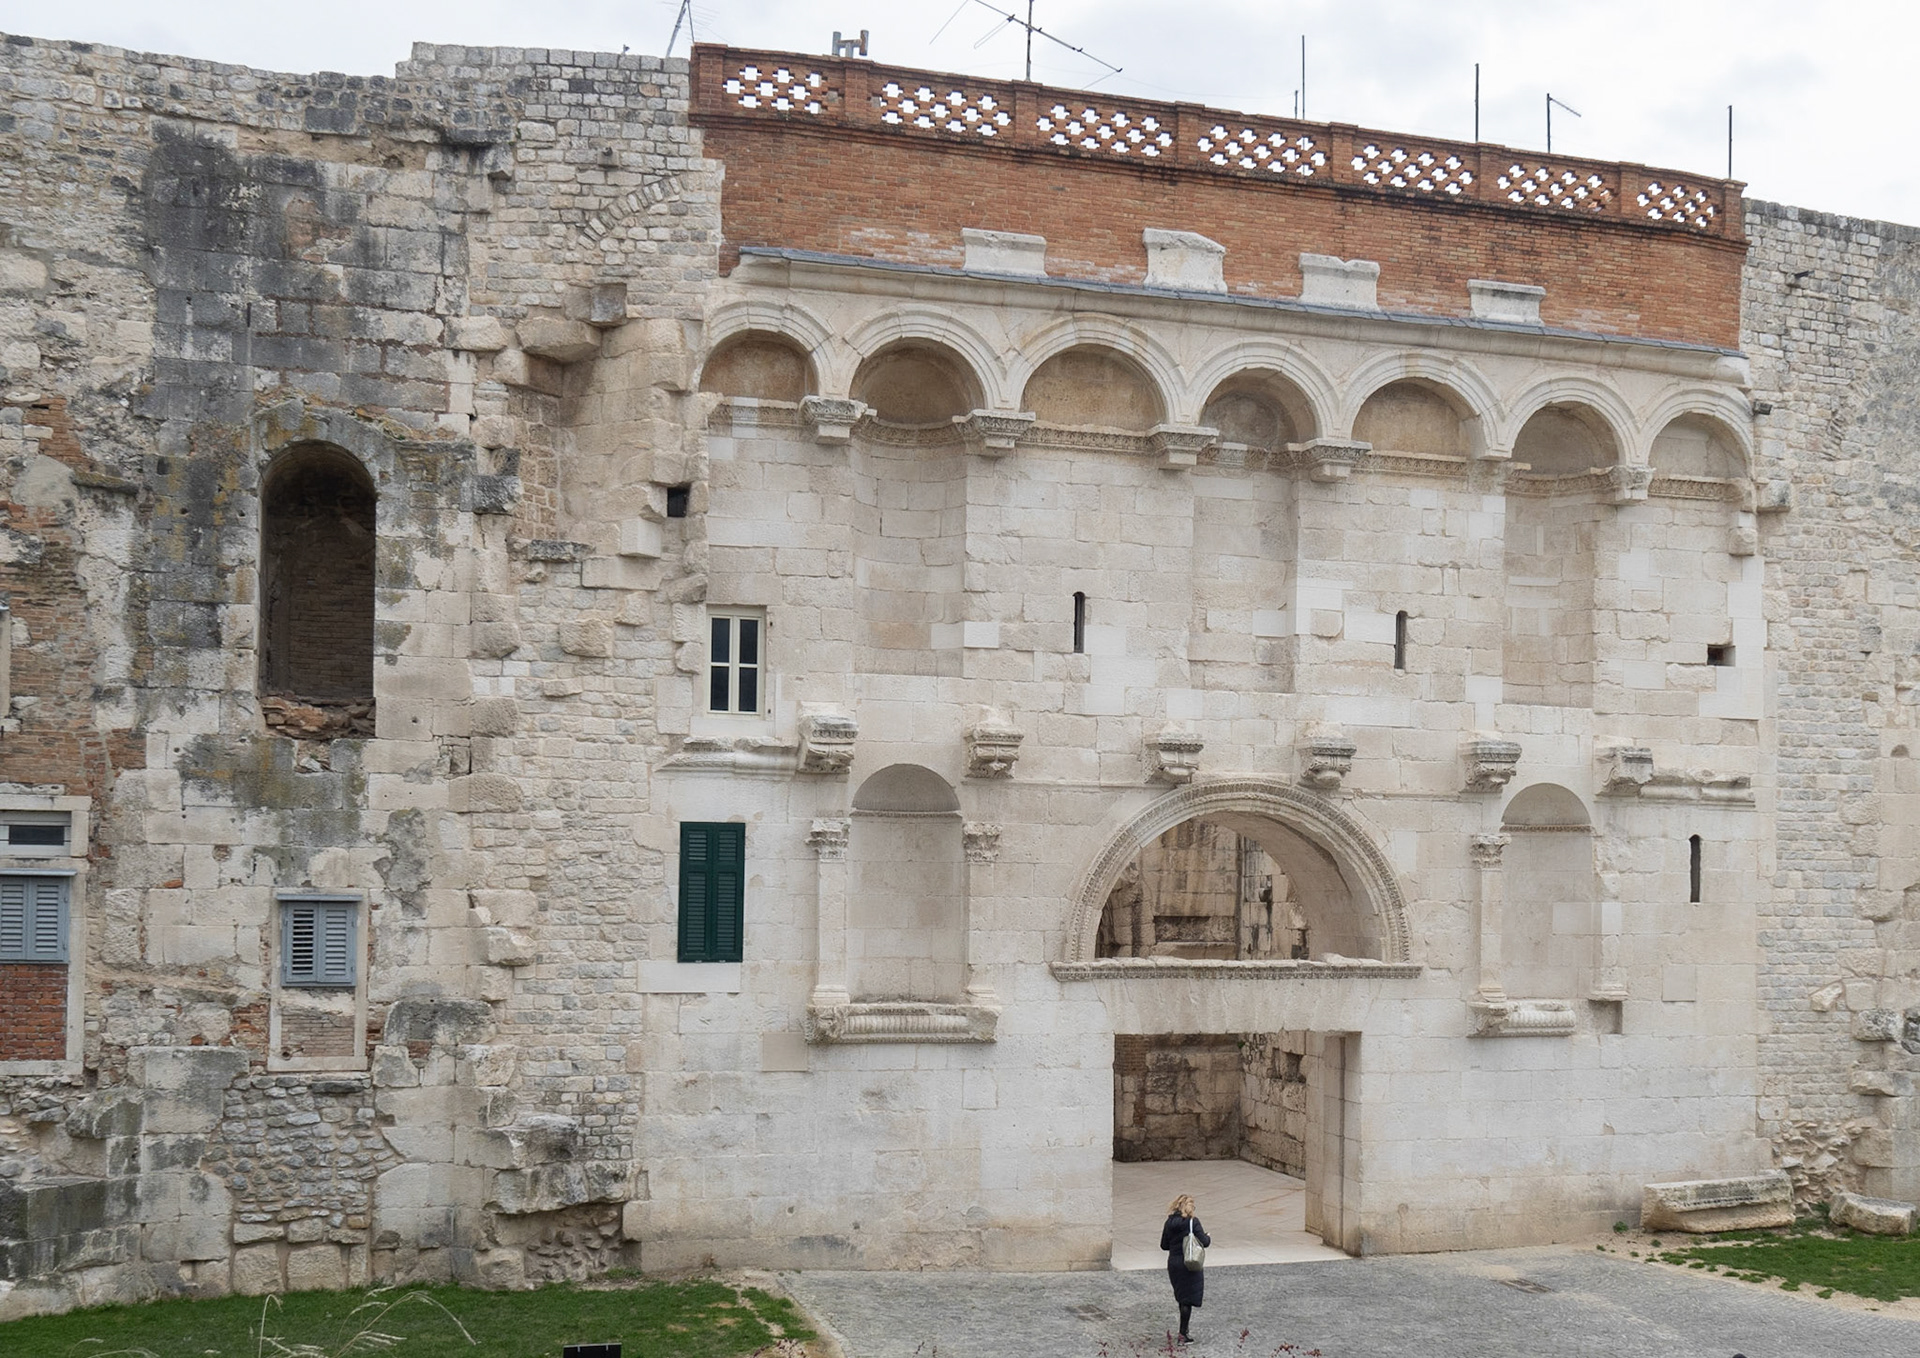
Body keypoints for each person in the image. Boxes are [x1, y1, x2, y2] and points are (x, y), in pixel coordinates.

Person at [1159, 1192, 1211, 1344]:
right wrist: (1208, 1236)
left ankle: (1184, 1330)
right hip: (1189, 1262)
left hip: (1174, 1263)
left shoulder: (1169, 1223)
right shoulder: (1192, 1222)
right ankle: (1183, 1334)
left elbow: (1163, 1245)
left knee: (1182, 1297)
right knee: (1187, 1299)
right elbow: (1205, 1242)